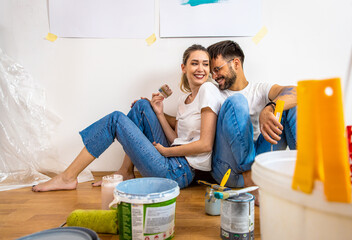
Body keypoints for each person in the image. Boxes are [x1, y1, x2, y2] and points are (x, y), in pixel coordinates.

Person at [32, 44, 224, 192]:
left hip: (179, 172)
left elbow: (206, 145)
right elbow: (176, 140)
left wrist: (166, 152)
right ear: (184, 67)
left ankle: (67, 177)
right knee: (142, 106)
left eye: (205, 64)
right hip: (176, 160)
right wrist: (157, 111)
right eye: (194, 63)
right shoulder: (184, 100)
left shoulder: (208, 90)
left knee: (116, 119)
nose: (201, 69)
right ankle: (125, 171)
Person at [207, 40, 297, 203]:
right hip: (230, 170)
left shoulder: (261, 89)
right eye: (211, 72)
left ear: (236, 63)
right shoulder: (213, 92)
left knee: (289, 105)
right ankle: (251, 183)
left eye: (217, 69)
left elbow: (297, 92)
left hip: (260, 161)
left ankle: (305, 176)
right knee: (237, 101)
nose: (214, 77)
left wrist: (269, 108)